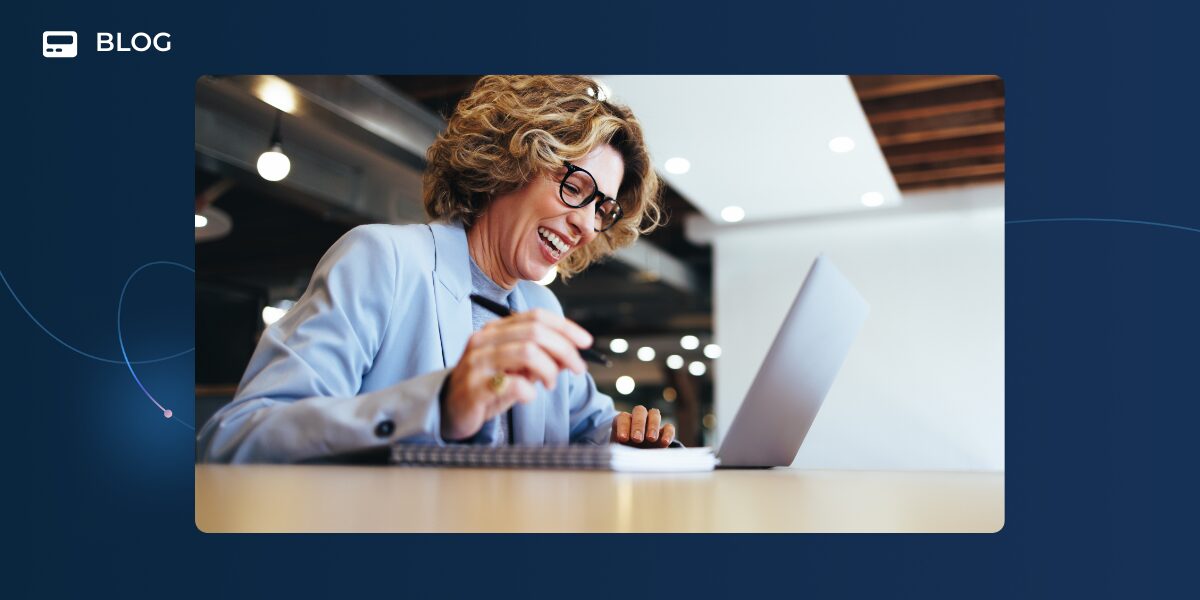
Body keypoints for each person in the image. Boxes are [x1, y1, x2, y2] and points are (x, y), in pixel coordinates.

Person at [197, 75, 676, 463]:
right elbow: (235, 438)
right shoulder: (381, 259)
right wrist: (439, 406)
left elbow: (582, 429)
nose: (588, 226)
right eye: (577, 188)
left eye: (603, 210)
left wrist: (622, 435)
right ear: (511, 161)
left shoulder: (541, 305)